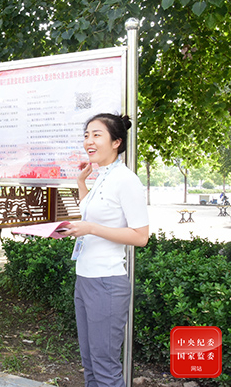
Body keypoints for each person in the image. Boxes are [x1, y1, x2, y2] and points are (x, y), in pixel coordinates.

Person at [61, 113, 149, 387]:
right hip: (85, 278)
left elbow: (140, 236)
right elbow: (94, 213)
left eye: (97, 135)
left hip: (107, 282)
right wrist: (81, 184)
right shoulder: (102, 176)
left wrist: (90, 228)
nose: (89, 141)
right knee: (89, 363)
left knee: (105, 367)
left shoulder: (126, 180)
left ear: (116, 142)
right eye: (86, 135)